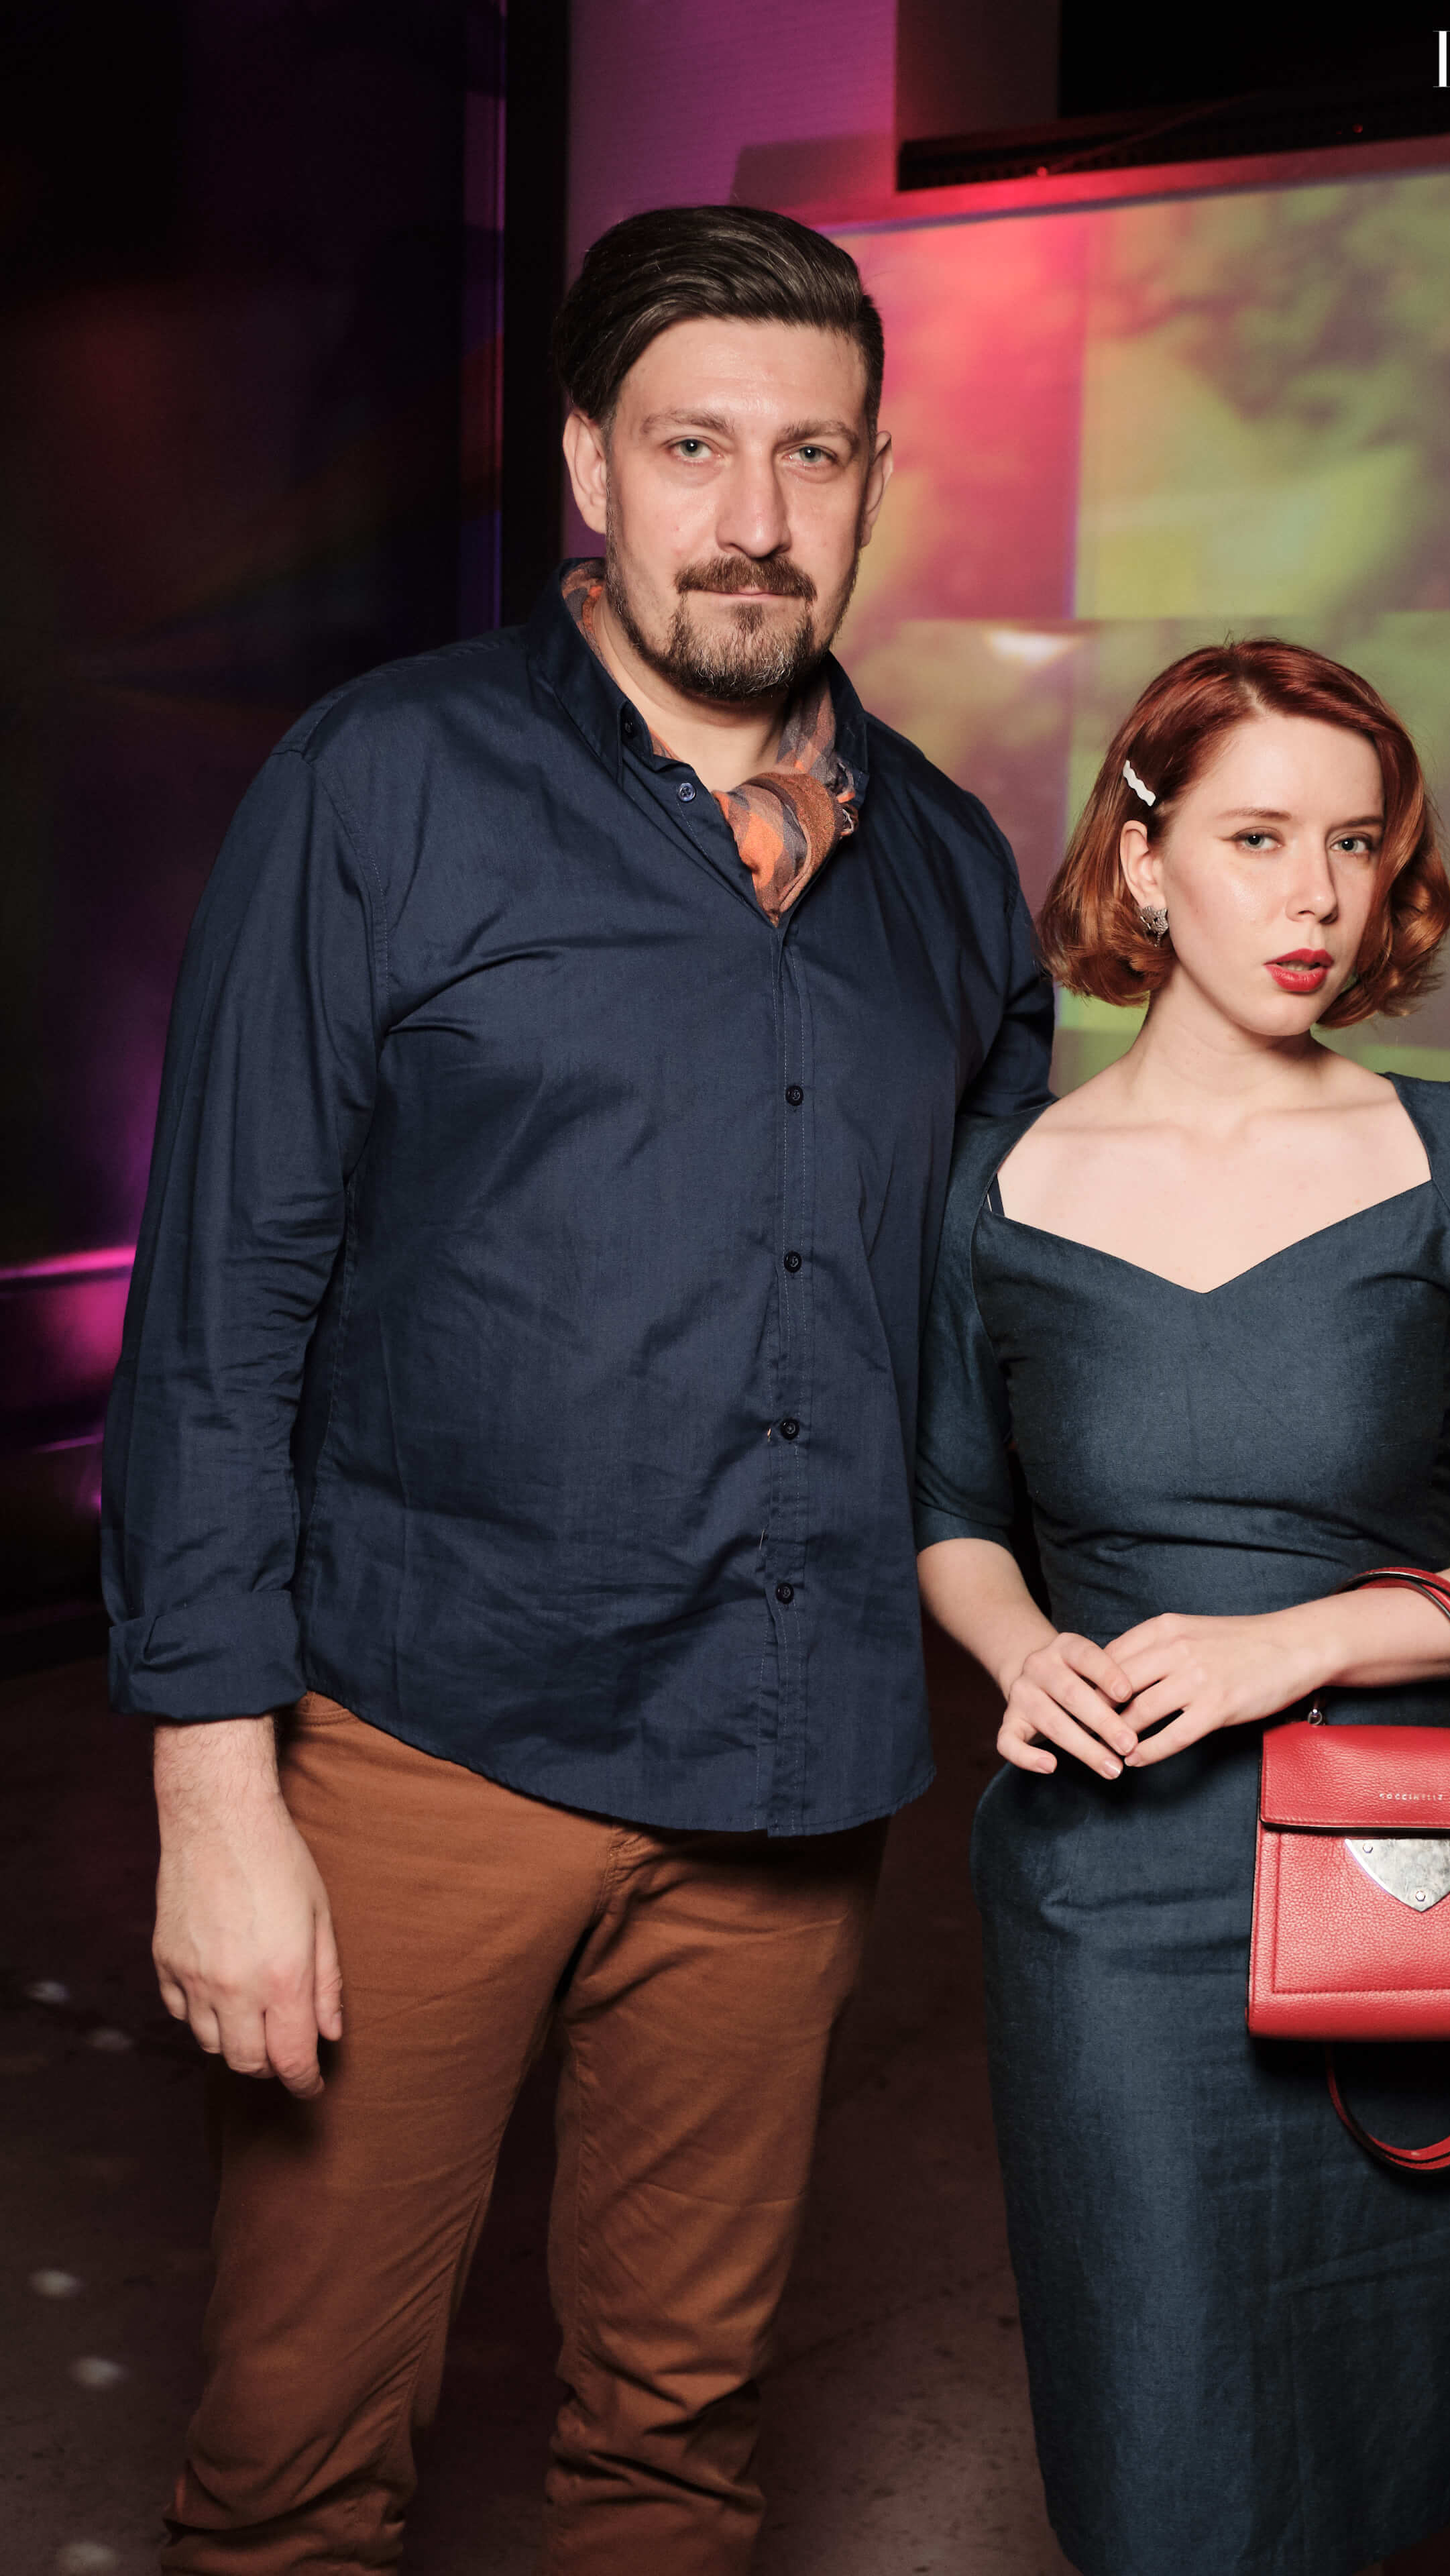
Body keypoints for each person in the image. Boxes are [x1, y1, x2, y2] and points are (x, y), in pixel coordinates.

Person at [102, 203, 1052, 2573]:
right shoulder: (382, 784)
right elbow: (220, 1309)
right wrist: (217, 1799)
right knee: (296, 2460)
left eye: (813, 454)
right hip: (424, 1751)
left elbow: (998, 1329)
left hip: (787, 1771)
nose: (755, 514)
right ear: (589, 469)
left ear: (875, 482)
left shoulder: (950, 871)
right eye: (694, 445)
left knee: (678, 2450)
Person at [914, 639, 1450, 2576]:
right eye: (1257, 838)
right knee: (1158, 2439)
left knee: (1379, 2433)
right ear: (1143, 861)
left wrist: (1299, 1644)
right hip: (1106, 1889)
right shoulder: (1000, 1185)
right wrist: (1021, 1651)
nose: (1317, 894)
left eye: (1354, 842)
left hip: (1402, 1864)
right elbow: (953, 1517)